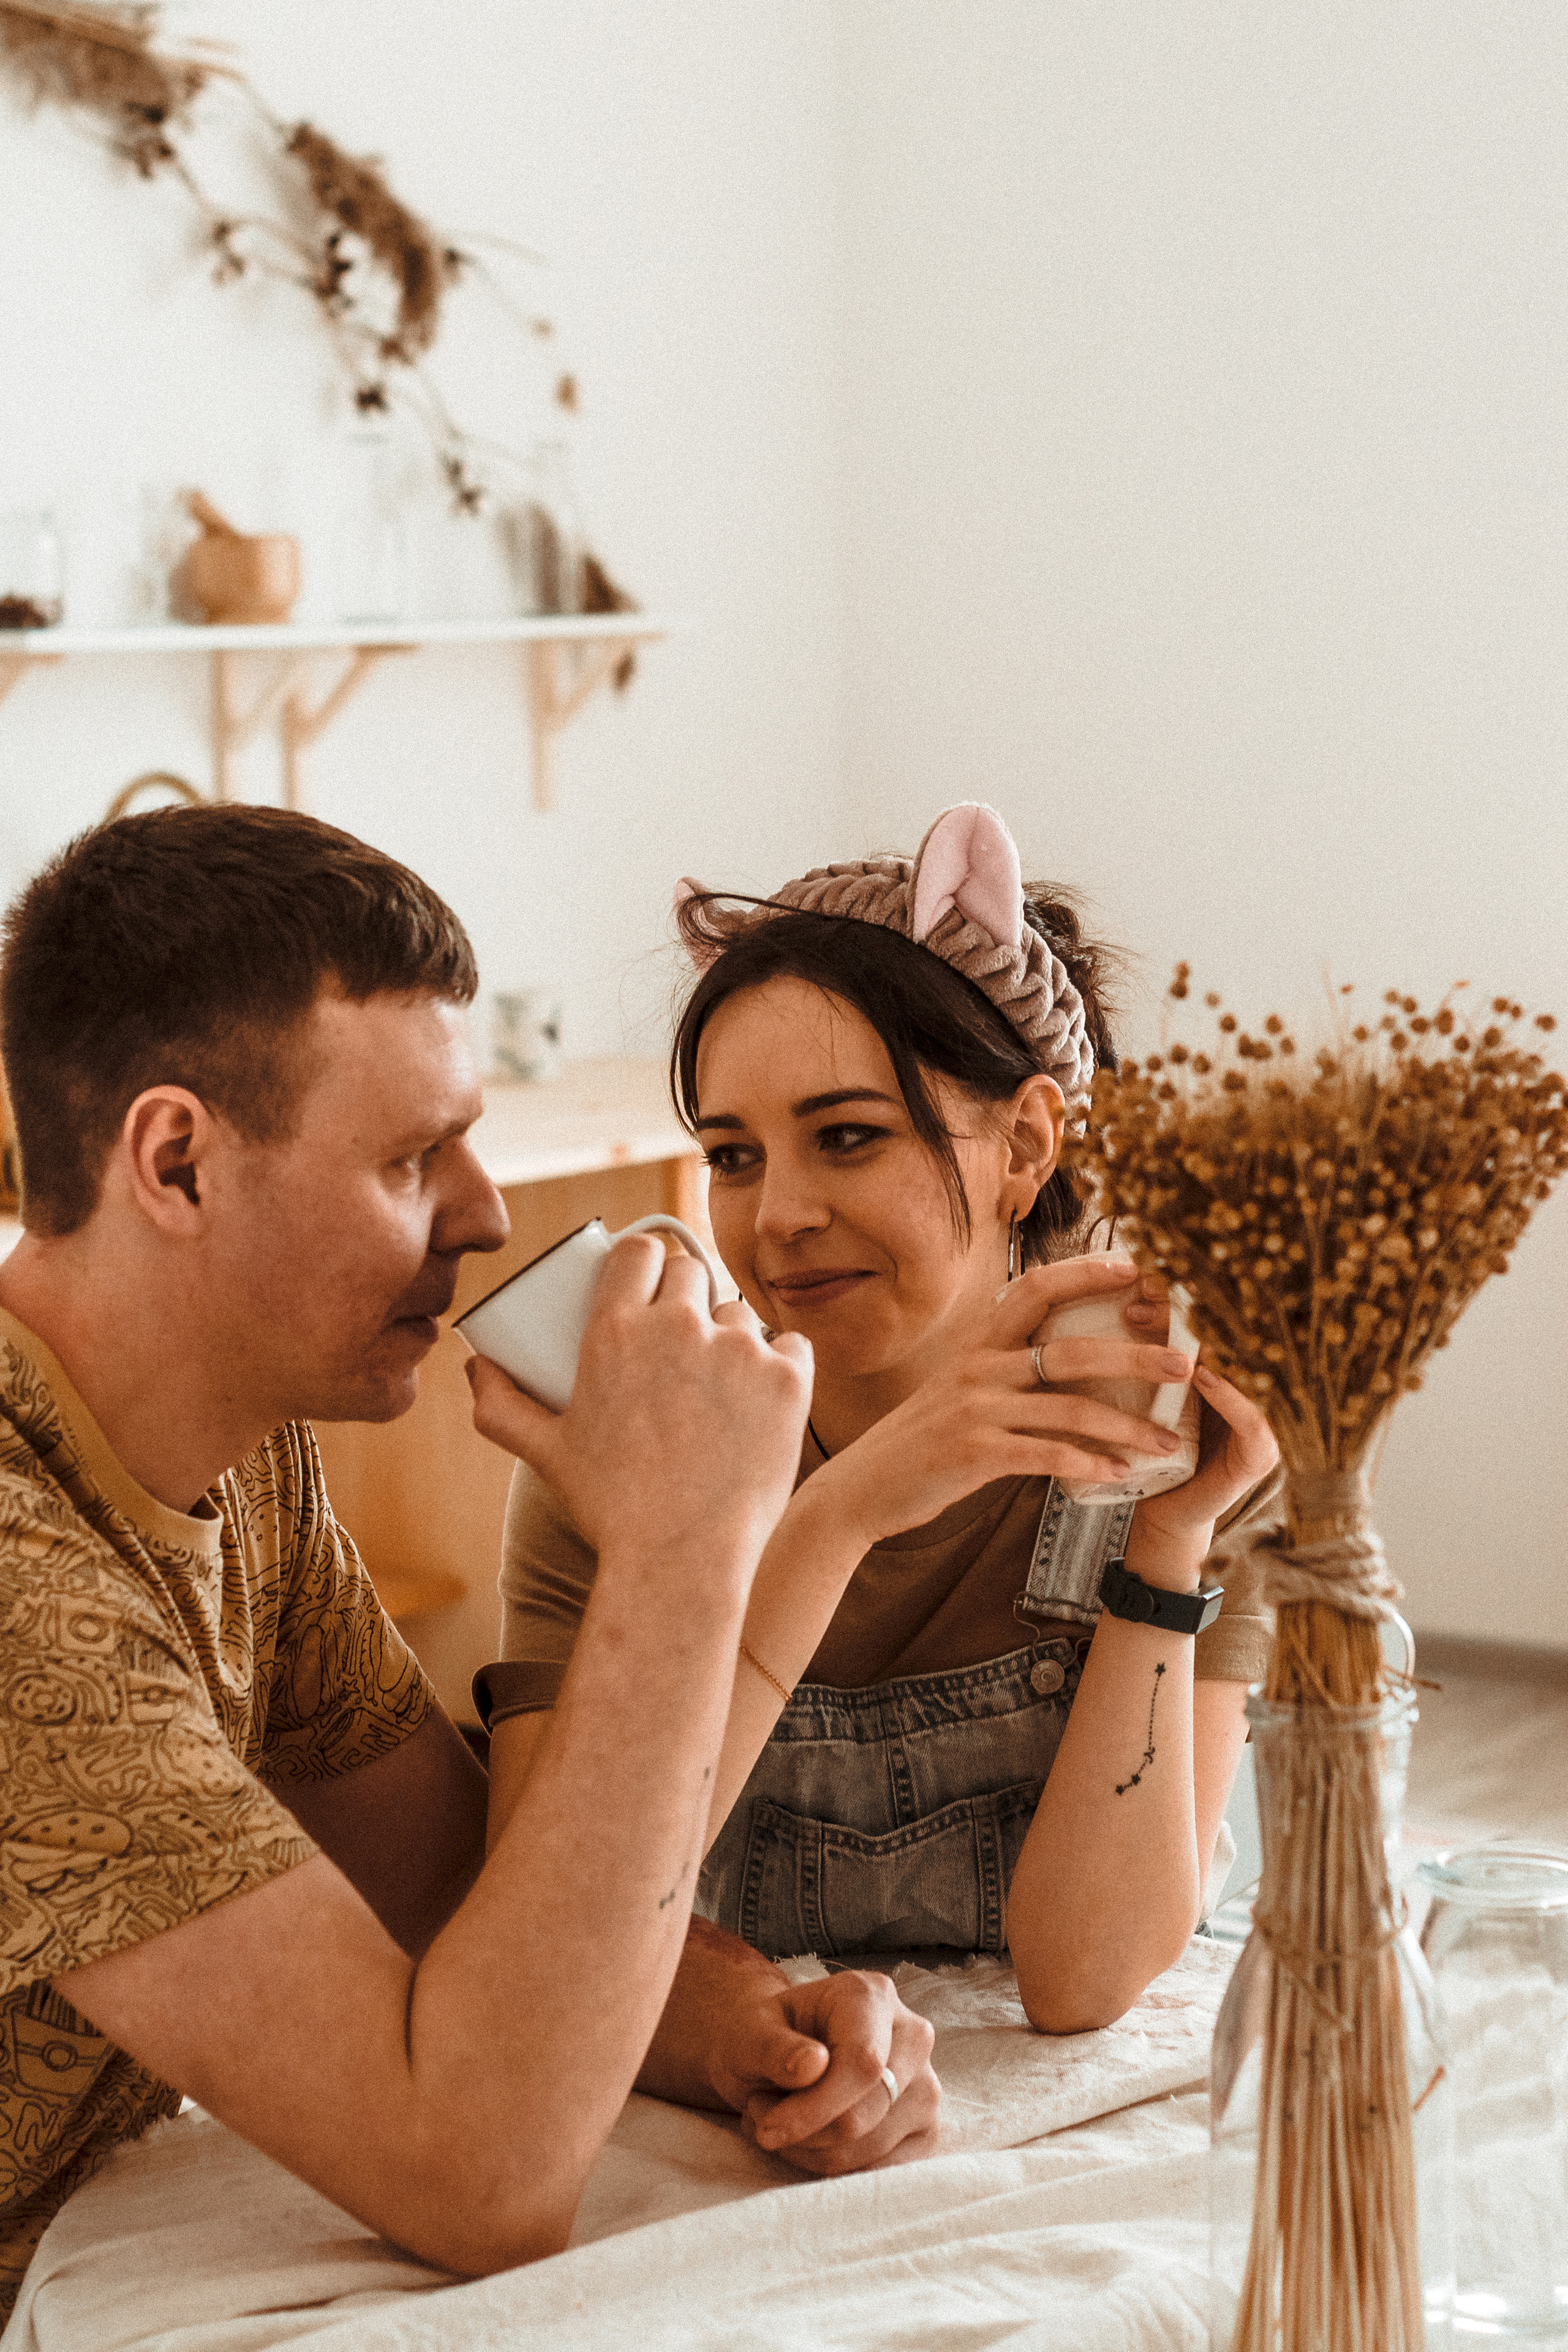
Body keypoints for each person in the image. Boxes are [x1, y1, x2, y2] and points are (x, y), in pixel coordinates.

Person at [0, 804, 940, 2327]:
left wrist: (763, 2029)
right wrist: (682, 1548)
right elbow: (483, 2175)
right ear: (174, 1161)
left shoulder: (245, 1466)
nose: (487, 1213)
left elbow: (448, 1888)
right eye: (412, 1157)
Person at [477, 803, 1281, 2034]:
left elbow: (1082, 1982)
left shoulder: (1177, 1441)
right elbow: (544, 1945)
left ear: (1022, 1144)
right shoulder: (620, 1443)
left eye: (846, 1138)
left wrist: (1164, 1550)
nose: (777, 1215)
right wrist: (843, 1511)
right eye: (732, 1156)